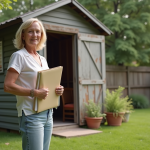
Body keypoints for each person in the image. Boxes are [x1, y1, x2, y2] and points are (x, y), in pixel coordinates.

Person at [4, 18, 64, 150]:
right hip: (31, 115)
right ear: (23, 35)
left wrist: (57, 89)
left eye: (38, 32)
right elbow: (8, 85)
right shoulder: (19, 56)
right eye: (31, 31)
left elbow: (45, 84)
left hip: (48, 113)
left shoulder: (42, 59)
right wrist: (34, 92)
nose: (35, 35)